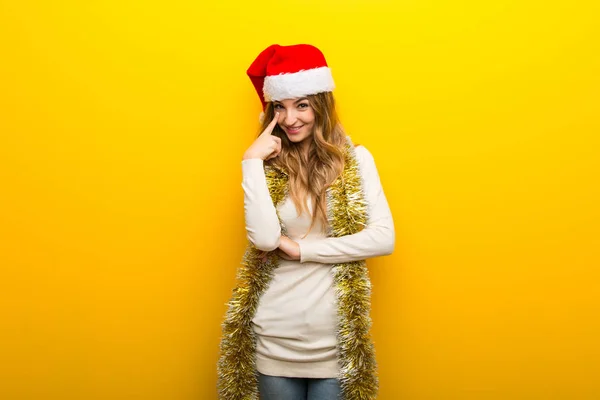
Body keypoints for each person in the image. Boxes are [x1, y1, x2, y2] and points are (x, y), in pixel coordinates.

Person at [217, 44, 395, 400]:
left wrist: (302, 250)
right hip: (275, 335)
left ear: (321, 105)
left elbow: (383, 238)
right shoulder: (268, 165)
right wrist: (251, 162)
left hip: (335, 338)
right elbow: (266, 240)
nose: (290, 118)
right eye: (280, 107)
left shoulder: (355, 160)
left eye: (302, 105)